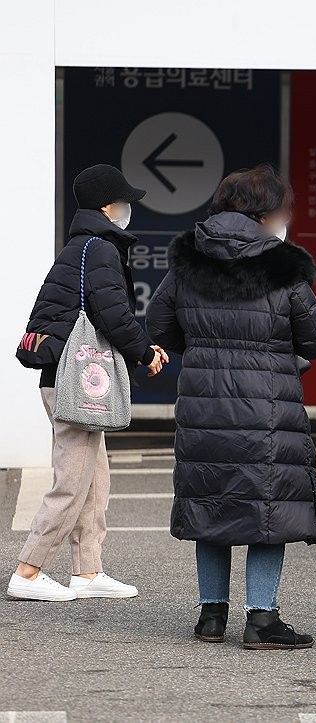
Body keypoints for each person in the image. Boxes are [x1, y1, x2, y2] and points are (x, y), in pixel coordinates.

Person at [146, 166, 316, 649]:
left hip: (204, 405)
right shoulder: (282, 265)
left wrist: (205, 345)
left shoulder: (189, 259)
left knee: (212, 500)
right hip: (266, 408)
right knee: (266, 508)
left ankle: (211, 616)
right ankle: (262, 619)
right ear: (268, 212)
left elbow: (160, 326)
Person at [8, 164, 167, 602]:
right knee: (72, 479)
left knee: (95, 478)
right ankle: (28, 569)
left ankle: (88, 570)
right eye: (124, 202)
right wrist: (144, 351)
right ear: (107, 206)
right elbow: (113, 312)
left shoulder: (84, 245)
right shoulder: (98, 248)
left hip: (67, 375)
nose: (128, 209)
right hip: (72, 378)